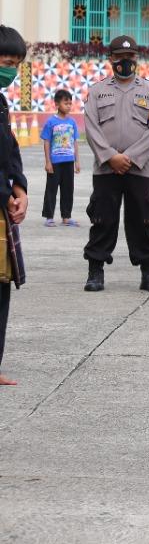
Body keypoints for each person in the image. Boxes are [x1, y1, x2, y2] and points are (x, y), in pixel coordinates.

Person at [82, 35, 149, 293]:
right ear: (111, 60)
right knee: (102, 219)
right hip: (105, 169)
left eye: (129, 57)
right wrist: (110, 157)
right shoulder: (97, 91)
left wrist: (131, 158)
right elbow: (91, 128)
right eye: (119, 57)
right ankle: (95, 271)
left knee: (142, 219)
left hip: (139, 169)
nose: (125, 62)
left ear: (136, 59)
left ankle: (148, 273)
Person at [0, 25, 29, 387]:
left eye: (16, 64)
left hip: (3, 202)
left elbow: (11, 149)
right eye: (7, 62)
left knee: (1, 286)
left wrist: (20, 186)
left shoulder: (2, 102)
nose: (10, 70)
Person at [40, 90, 80, 227]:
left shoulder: (72, 122)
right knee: (51, 189)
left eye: (70, 103)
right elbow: (46, 141)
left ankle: (66, 217)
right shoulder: (51, 122)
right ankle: (49, 217)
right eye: (65, 103)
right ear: (57, 104)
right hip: (55, 162)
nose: (69, 106)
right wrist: (48, 162)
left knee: (68, 190)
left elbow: (75, 142)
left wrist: (77, 161)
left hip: (69, 161)